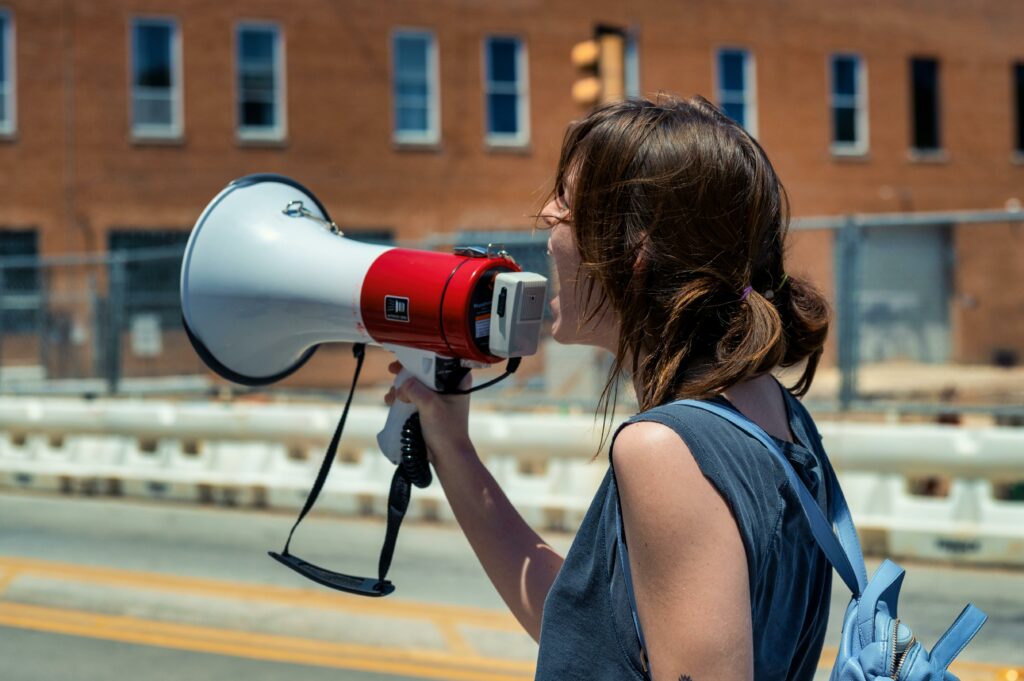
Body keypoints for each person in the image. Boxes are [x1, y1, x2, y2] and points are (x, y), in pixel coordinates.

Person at [384, 95, 836, 681]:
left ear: (637, 248)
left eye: (567, 202)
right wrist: (452, 448)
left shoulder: (667, 450)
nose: (546, 217)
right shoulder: (778, 417)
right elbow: (591, 637)